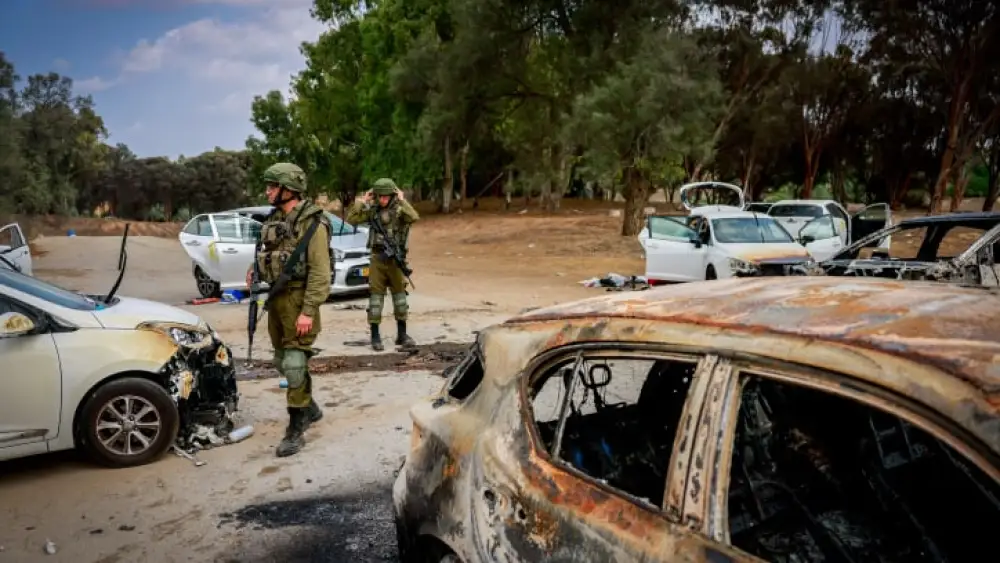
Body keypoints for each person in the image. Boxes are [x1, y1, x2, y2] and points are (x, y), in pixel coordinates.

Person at [247, 162, 332, 458]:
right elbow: (267, 254)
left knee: (295, 364)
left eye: (273, 186)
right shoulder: (274, 219)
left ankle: (296, 427)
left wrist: (308, 310)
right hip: (276, 300)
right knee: (281, 361)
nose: (268, 191)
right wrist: (254, 270)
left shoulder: (313, 224)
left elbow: (321, 273)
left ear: (289, 189)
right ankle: (309, 406)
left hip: (299, 301)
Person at [345, 178, 420, 351]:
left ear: (392, 196)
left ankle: (402, 335)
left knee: (400, 299)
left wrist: (402, 199)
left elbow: (414, 217)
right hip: (377, 259)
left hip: (395, 260)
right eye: (380, 196)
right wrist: (362, 201)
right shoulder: (372, 212)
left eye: (386, 196)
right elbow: (352, 218)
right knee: (375, 300)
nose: (383, 200)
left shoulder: (400, 211)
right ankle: (375, 336)